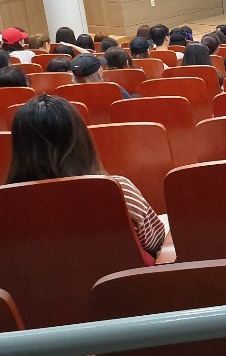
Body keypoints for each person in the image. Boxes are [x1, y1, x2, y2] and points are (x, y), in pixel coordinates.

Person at [6, 94, 165, 259]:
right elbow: (157, 242)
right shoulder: (117, 190)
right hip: (122, 276)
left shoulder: (6, 204)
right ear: (81, 139)